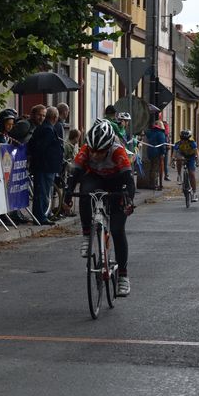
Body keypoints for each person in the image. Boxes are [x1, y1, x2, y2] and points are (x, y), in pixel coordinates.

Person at [64, 118, 135, 296]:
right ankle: (87, 234)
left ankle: (123, 277)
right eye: (93, 151)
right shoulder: (86, 149)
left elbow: (128, 179)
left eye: (100, 152)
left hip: (117, 182)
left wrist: (128, 200)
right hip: (95, 179)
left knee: (118, 230)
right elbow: (75, 174)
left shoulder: (118, 152)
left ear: (108, 146)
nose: (95, 155)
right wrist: (68, 194)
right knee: (86, 193)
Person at [29, 106, 63, 225]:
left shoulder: (44, 128)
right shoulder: (47, 129)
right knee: (43, 192)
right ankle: (40, 216)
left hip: (45, 166)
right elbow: (42, 148)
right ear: (54, 118)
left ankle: (42, 215)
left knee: (43, 191)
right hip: (45, 166)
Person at [172, 129, 199, 202]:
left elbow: (196, 152)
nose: (184, 141)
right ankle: (179, 175)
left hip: (191, 156)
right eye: (182, 139)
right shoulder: (178, 143)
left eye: (186, 139)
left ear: (189, 138)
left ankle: (194, 192)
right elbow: (174, 153)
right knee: (178, 158)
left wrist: (197, 161)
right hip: (182, 154)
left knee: (192, 174)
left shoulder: (192, 142)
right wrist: (172, 160)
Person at [145, 120, 168, 190]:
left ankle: (151, 183)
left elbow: (146, 133)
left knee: (152, 168)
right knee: (155, 169)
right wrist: (163, 153)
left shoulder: (151, 132)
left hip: (150, 152)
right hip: (157, 152)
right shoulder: (160, 133)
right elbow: (162, 144)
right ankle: (154, 184)